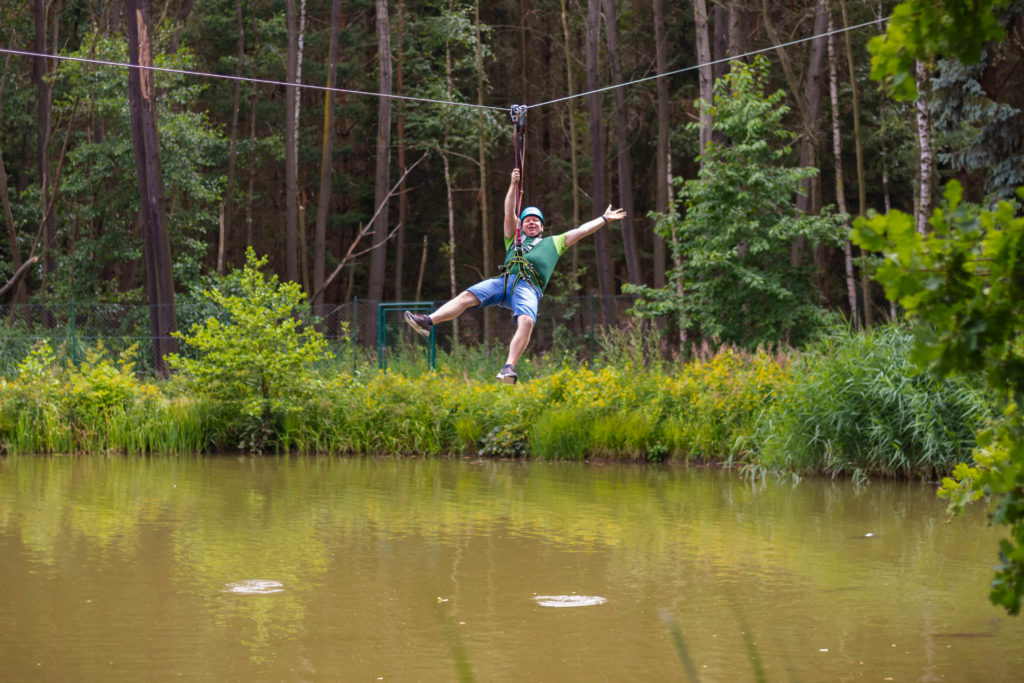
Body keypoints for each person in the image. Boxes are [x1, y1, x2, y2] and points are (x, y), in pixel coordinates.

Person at [404, 167, 626, 384]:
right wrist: (512, 184)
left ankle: (509, 366)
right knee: (466, 297)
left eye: (535, 220)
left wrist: (604, 219)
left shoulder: (554, 243)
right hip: (504, 281)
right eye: (527, 219)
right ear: (521, 224)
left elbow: (583, 230)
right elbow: (508, 212)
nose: (531, 222)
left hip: (528, 288)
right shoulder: (513, 239)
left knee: (527, 321)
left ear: (541, 227)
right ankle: (428, 321)